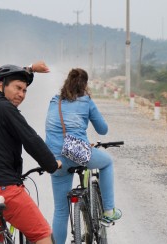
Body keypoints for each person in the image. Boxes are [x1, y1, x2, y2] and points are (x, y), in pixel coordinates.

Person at [0, 61, 61, 244]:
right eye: (18, 88)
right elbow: (31, 140)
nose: (21, 94)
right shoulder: (6, 108)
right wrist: (51, 164)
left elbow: (12, 77)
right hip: (4, 189)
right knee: (42, 235)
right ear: (2, 86)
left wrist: (30, 69)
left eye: (25, 90)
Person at [45, 68, 122, 244]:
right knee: (107, 163)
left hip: (53, 158)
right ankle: (109, 211)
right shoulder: (86, 101)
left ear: (66, 82)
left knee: (61, 210)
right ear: (85, 85)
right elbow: (103, 130)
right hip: (76, 153)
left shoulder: (54, 101)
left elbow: (53, 130)